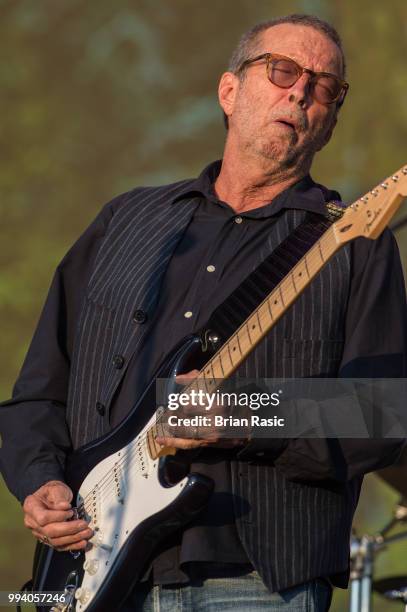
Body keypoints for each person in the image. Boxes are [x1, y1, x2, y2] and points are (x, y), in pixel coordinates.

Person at [1, 13, 406, 612]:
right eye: (283, 70)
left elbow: (384, 411)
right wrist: (40, 482)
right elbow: (40, 391)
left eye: (324, 87)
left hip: (259, 581)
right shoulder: (125, 221)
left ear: (329, 121)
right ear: (229, 90)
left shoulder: (353, 246)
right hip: (88, 567)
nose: (301, 90)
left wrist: (242, 409)